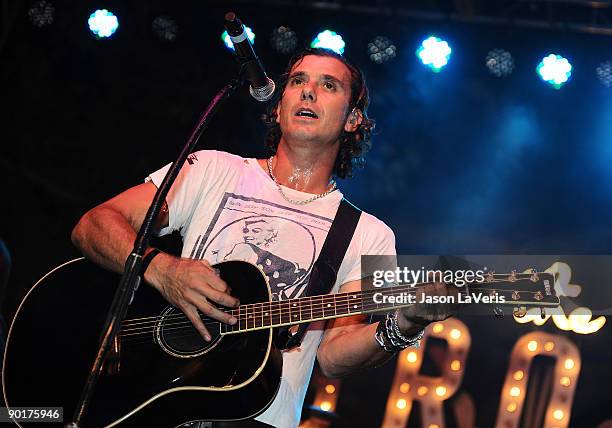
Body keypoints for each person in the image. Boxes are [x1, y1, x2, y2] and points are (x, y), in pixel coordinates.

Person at [72, 48, 457, 428]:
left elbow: (334, 357)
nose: (308, 92)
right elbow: (93, 225)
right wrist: (163, 270)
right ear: (278, 106)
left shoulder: (367, 235)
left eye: (328, 85)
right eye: (297, 81)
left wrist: (403, 325)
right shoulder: (212, 170)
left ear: (353, 119)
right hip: (156, 402)